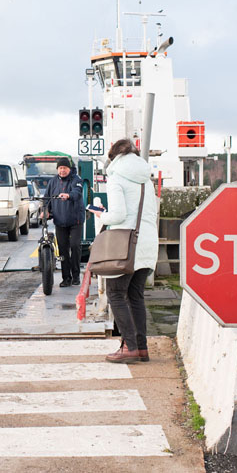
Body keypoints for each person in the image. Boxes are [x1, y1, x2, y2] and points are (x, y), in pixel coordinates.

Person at [89, 139, 158, 363]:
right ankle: (141, 348)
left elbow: (118, 215)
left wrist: (101, 214)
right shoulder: (146, 181)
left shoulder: (117, 177)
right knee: (136, 296)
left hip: (125, 245)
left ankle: (129, 346)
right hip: (147, 242)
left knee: (116, 293)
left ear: (113, 157)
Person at [44, 158, 85, 287]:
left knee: (75, 246)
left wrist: (68, 195)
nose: (62, 170)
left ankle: (76, 275)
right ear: (57, 169)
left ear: (69, 169)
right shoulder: (53, 182)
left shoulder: (76, 180)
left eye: (65, 168)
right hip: (60, 220)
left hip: (75, 220)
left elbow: (77, 193)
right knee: (63, 249)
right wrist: (45, 210)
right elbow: (46, 199)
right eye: (60, 168)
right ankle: (66, 278)